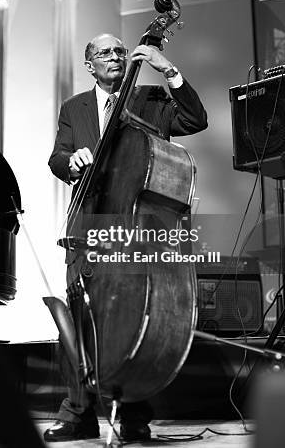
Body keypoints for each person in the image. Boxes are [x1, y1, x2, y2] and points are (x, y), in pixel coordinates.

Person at [45, 33, 207, 442]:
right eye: (105, 53)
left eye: (120, 50)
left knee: (134, 319)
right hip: (87, 225)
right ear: (90, 65)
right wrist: (73, 161)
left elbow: (195, 119)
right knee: (80, 320)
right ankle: (77, 413)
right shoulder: (74, 108)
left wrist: (167, 69)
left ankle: (134, 415)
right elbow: (57, 156)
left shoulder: (150, 98)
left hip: (136, 233)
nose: (115, 56)